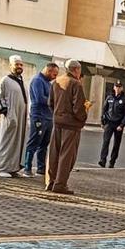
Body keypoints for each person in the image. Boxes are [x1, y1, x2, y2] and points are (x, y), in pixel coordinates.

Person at [46, 60, 89, 195]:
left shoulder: (56, 82)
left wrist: (57, 113)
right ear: (76, 70)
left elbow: (50, 102)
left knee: (54, 153)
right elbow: (78, 107)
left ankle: (51, 181)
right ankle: (60, 183)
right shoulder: (76, 84)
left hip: (57, 121)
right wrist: (83, 116)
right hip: (71, 124)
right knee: (67, 155)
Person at [23, 62, 59, 177]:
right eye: (54, 74)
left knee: (44, 144)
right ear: (48, 71)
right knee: (34, 141)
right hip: (39, 116)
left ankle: (41, 168)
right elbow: (39, 99)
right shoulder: (38, 80)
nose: (55, 77)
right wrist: (53, 101)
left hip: (48, 117)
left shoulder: (48, 83)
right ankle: (27, 168)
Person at [0, 56, 28, 178]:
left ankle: (13, 168)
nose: (19, 67)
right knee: (7, 141)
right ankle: (2, 168)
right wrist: (6, 112)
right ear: (10, 66)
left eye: (21, 64)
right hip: (11, 116)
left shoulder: (21, 81)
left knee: (18, 142)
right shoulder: (5, 80)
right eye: (16, 64)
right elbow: (0, 97)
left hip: (21, 117)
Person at [99, 82, 125, 168]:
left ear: (122, 88)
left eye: (119, 87)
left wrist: (122, 125)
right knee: (105, 142)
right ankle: (102, 160)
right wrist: (102, 121)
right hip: (109, 123)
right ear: (114, 88)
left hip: (118, 125)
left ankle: (112, 161)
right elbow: (104, 109)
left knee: (116, 144)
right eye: (116, 87)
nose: (117, 88)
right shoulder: (109, 98)